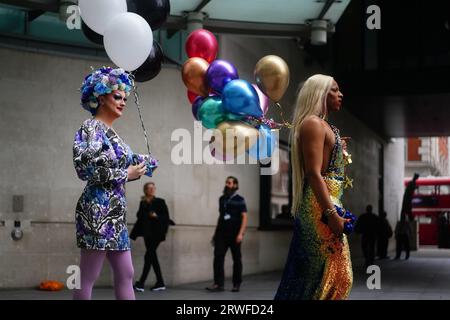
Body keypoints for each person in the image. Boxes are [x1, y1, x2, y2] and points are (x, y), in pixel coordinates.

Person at [72, 67, 158, 300]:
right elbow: (85, 168)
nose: (123, 102)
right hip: (96, 210)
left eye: (125, 98)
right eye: (117, 96)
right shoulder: (90, 128)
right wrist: (125, 174)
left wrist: (145, 163)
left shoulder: (114, 135)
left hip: (116, 213)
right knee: (88, 274)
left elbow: (128, 162)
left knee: (126, 272)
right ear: (101, 97)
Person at [275, 74, 353, 300]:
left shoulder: (324, 126)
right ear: (320, 93)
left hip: (328, 205)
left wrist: (338, 146)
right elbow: (313, 173)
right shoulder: (312, 124)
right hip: (319, 210)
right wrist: (330, 214)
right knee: (319, 279)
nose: (341, 94)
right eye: (335, 90)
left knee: (337, 277)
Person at [206, 176, 248, 293]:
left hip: (235, 234)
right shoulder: (222, 199)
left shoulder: (240, 199)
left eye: (229, 183)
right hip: (221, 234)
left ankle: (236, 284)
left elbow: (244, 217)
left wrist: (241, 233)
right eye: (226, 182)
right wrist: (215, 234)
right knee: (218, 257)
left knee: (237, 259)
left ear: (235, 185)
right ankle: (218, 284)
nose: (227, 184)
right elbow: (221, 217)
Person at [130, 182, 171, 292]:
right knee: (152, 257)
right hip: (147, 234)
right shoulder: (143, 202)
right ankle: (160, 282)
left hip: (157, 233)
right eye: (149, 188)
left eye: (153, 188)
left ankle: (141, 283)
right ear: (145, 190)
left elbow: (166, 217)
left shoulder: (160, 202)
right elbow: (139, 216)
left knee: (149, 256)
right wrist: (145, 206)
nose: (152, 190)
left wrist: (156, 216)